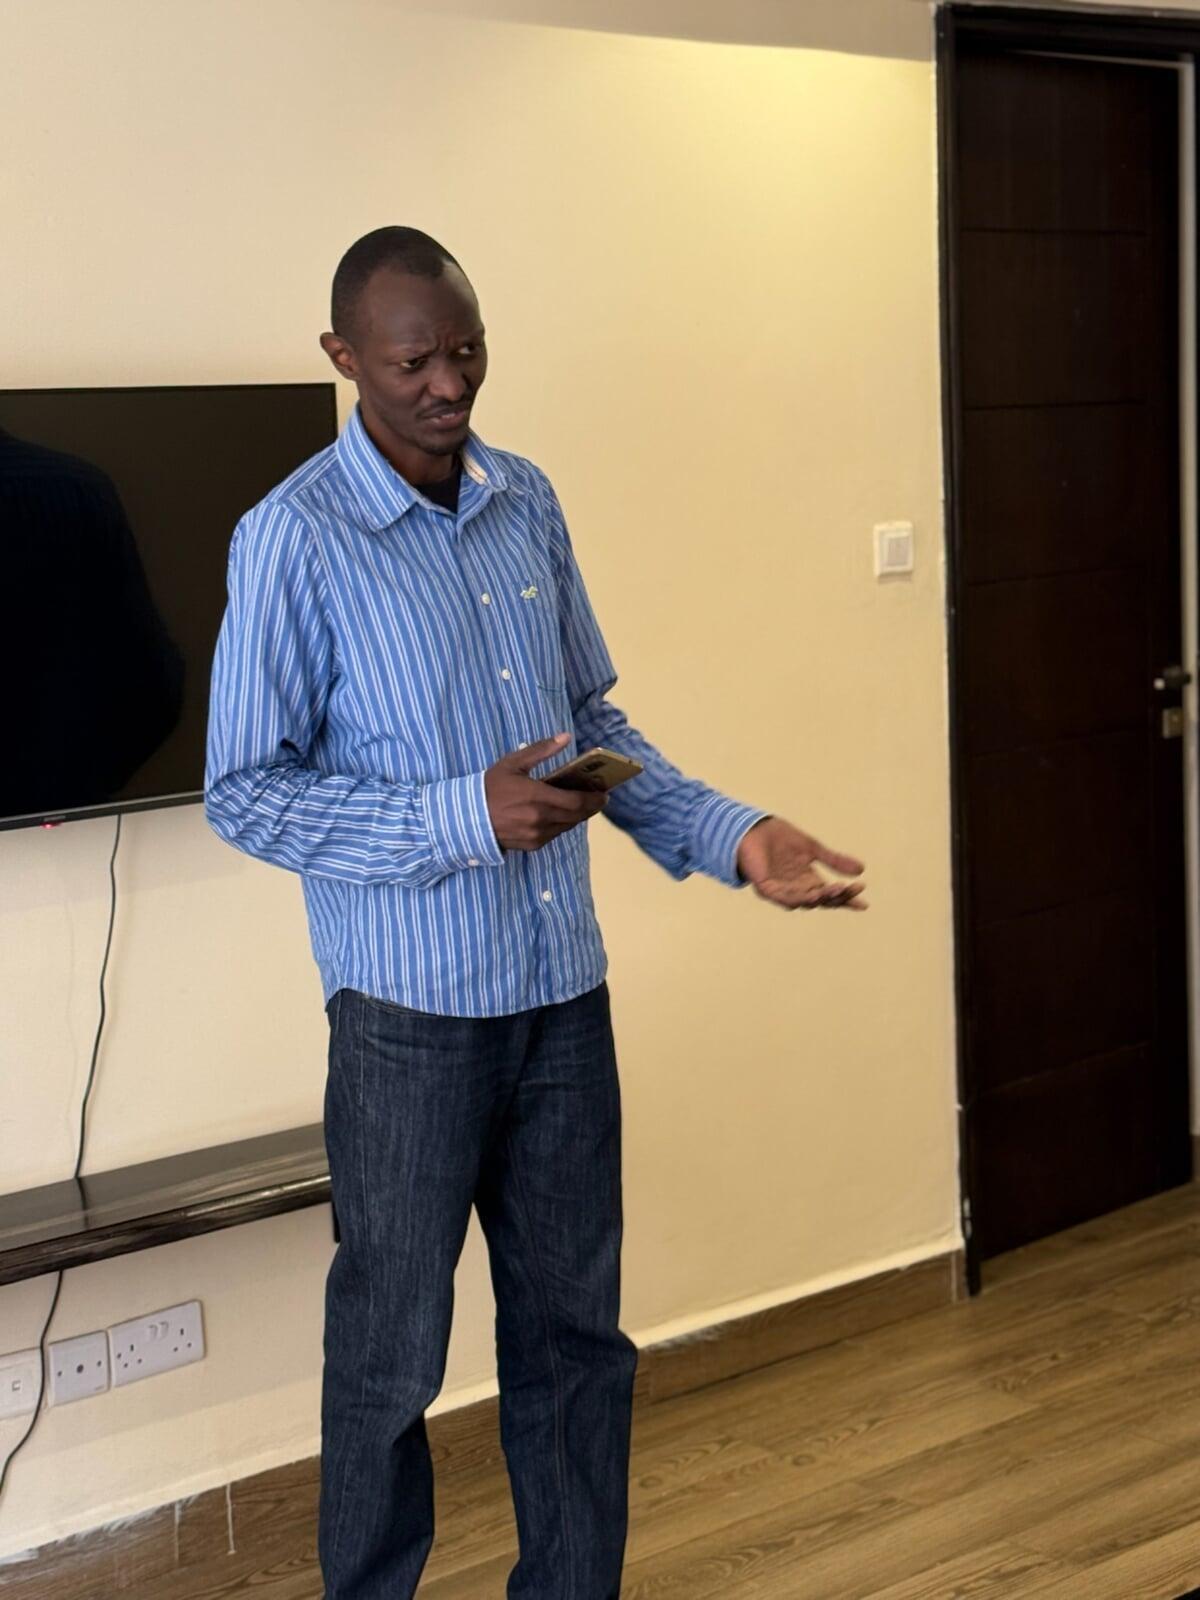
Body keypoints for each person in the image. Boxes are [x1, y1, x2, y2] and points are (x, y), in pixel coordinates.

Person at [204, 226, 867, 1600]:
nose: (448, 385)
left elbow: (590, 728)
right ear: (343, 359)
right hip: (407, 1024)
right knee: (388, 1358)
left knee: (577, 1345)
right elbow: (247, 793)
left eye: (467, 352)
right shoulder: (291, 539)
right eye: (413, 363)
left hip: (563, 1001)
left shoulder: (528, 502)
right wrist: (464, 815)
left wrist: (734, 835)